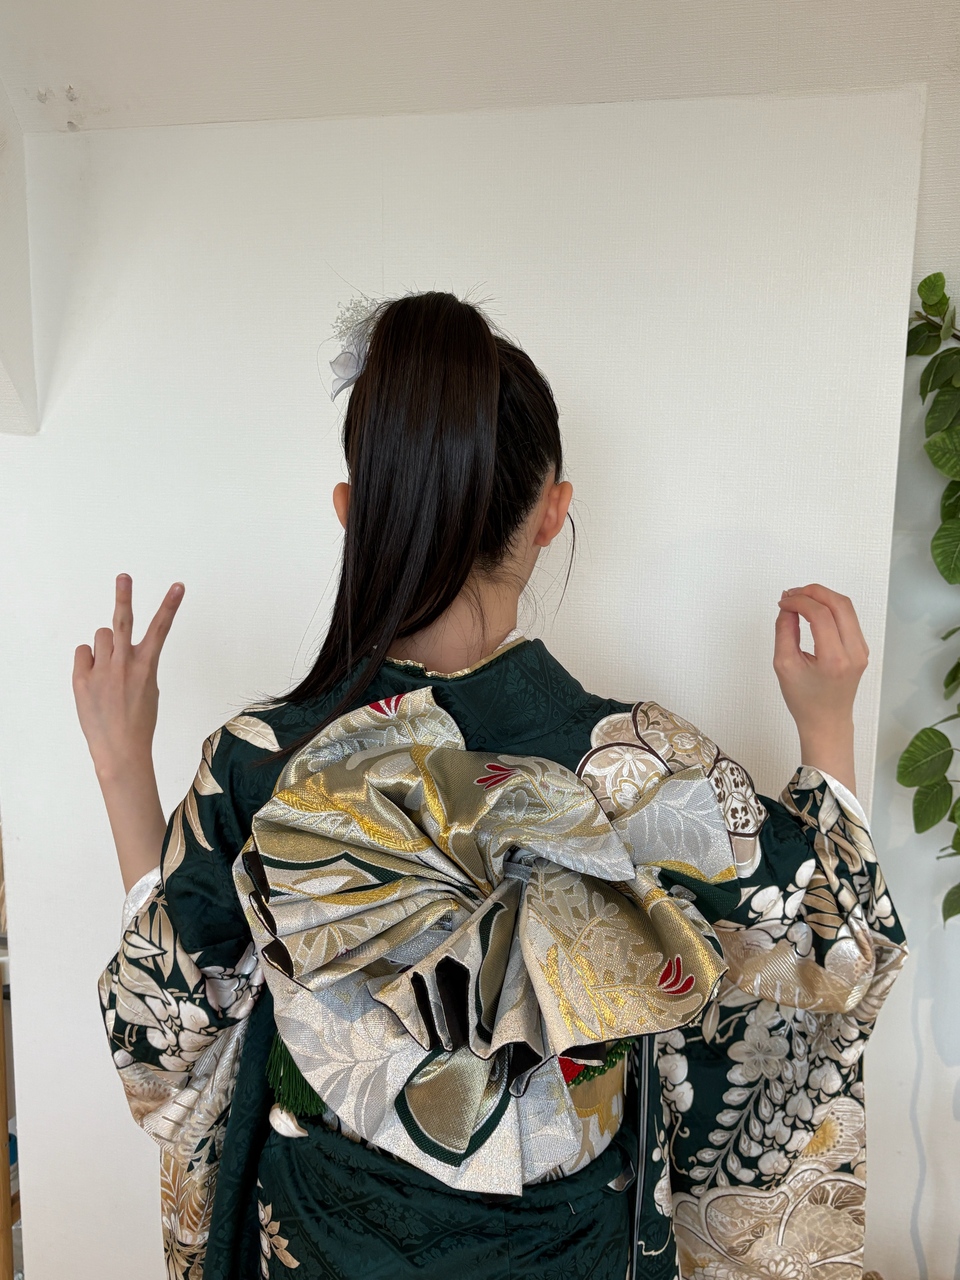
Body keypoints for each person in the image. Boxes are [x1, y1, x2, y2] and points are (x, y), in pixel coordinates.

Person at [75, 292, 906, 1280]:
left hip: (321, 1247)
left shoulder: (257, 763)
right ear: (553, 513)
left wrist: (123, 769)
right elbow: (833, 946)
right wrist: (828, 723)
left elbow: (167, 1032)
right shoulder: (640, 768)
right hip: (564, 1252)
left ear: (351, 510)